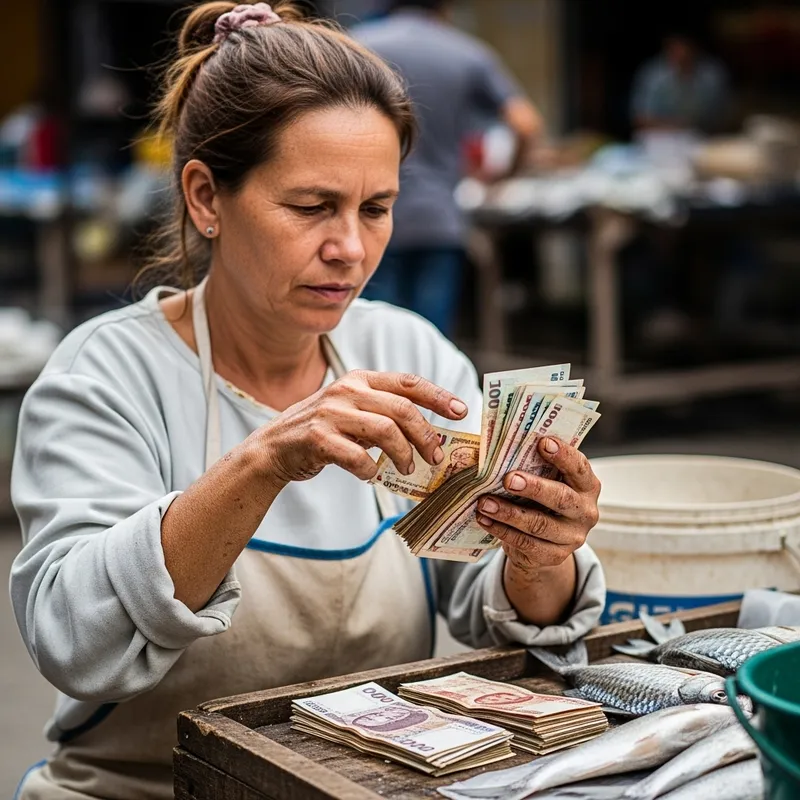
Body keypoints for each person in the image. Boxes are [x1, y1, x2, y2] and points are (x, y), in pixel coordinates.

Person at [10, 3, 604, 798]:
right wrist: (263, 461)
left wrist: (541, 554)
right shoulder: (108, 374)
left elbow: (494, 604)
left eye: (376, 208)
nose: (350, 249)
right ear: (206, 198)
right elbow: (73, 639)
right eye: (311, 207)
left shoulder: (408, 352)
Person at [353, 0, 542, 335]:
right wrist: (505, 176)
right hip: (439, 217)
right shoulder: (467, 52)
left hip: (367, 218)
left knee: (371, 340)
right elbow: (526, 124)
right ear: (447, 9)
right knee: (430, 345)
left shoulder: (357, 46)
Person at [630, 33, 730, 134]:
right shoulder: (653, 75)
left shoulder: (712, 74)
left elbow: (726, 115)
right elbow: (640, 119)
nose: (681, 54)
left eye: (685, 47)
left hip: (705, 136)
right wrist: (680, 127)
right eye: (675, 49)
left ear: (695, 49)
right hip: (661, 137)